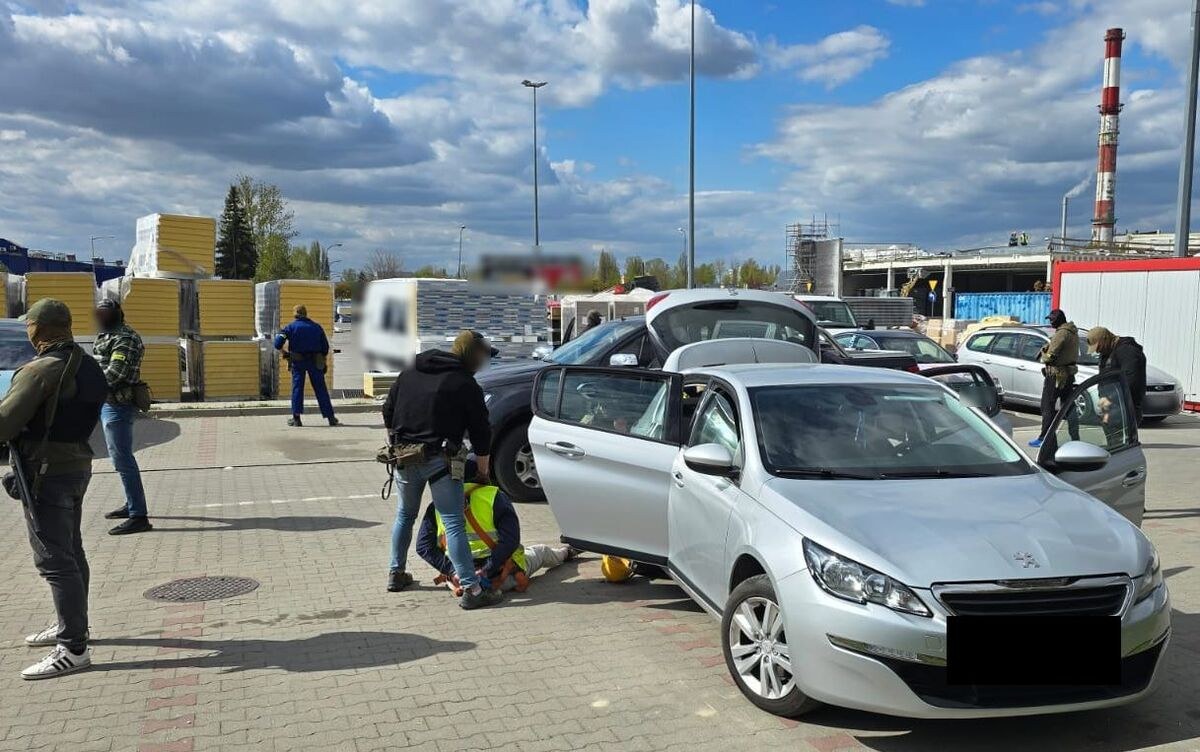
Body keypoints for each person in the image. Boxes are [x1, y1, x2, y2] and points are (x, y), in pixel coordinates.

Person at [0, 299, 107, 679]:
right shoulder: (86, 363)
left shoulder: (40, 370)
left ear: (38, 329)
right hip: (76, 466)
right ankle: (73, 624)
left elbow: (4, 424)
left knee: (54, 560)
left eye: (29, 326)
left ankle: (73, 647)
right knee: (71, 552)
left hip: (45, 473)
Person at [382, 329, 503, 610]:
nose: (484, 363)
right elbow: (481, 433)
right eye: (483, 356)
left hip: (404, 456)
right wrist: (483, 472)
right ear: (471, 354)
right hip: (441, 461)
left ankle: (396, 573)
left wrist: (395, 443)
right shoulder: (465, 383)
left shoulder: (411, 370)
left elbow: (388, 411)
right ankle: (472, 589)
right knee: (452, 521)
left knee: (405, 515)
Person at [415, 458, 575, 595]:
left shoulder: (438, 504)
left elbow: (423, 547)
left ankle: (466, 586)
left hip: (460, 581)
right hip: (501, 576)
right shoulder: (494, 496)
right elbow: (511, 541)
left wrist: (453, 571)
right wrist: (486, 570)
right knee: (541, 551)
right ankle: (568, 552)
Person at [94, 299, 152, 535]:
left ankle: (139, 516)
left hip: (118, 404)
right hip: (108, 402)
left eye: (106, 314)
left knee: (123, 459)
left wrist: (87, 382)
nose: (101, 318)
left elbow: (115, 374)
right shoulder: (107, 335)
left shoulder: (125, 338)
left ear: (118, 314)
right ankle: (131, 504)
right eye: (99, 313)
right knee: (119, 459)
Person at [274, 305, 338, 427]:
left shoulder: (290, 328)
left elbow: (277, 343)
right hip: (315, 361)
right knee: (321, 389)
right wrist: (323, 361)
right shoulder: (316, 327)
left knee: (297, 388)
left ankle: (296, 419)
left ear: (295, 314)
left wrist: (285, 353)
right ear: (306, 313)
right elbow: (325, 348)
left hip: (298, 362)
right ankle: (331, 418)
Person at [1031, 308, 1079, 448]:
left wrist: (1043, 354)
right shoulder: (1073, 332)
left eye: (1052, 320)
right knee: (1068, 407)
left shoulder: (1061, 334)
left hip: (1056, 376)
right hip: (1068, 375)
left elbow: (1050, 357)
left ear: (1058, 320)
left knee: (1047, 407)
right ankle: (1075, 437)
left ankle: (1044, 438)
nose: (1051, 323)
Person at [1087, 326, 1147, 422]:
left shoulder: (1127, 351)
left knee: (1122, 431)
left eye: (1098, 347)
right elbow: (1102, 378)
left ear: (1105, 339)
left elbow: (1131, 380)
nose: (1097, 351)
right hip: (1111, 407)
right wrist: (1102, 397)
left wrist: (1110, 398)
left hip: (1125, 407)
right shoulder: (1107, 352)